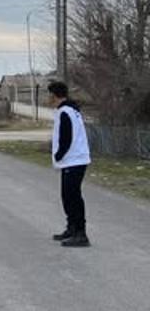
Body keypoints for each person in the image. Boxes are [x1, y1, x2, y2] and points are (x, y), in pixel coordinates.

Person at [48, 81, 92, 247]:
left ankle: (81, 233)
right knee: (67, 196)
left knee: (73, 197)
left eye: (50, 95)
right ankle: (72, 228)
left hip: (74, 160)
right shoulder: (70, 110)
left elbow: (66, 137)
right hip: (73, 160)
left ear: (55, 95)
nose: (48, 99)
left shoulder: (65, 112)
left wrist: (58, 155)